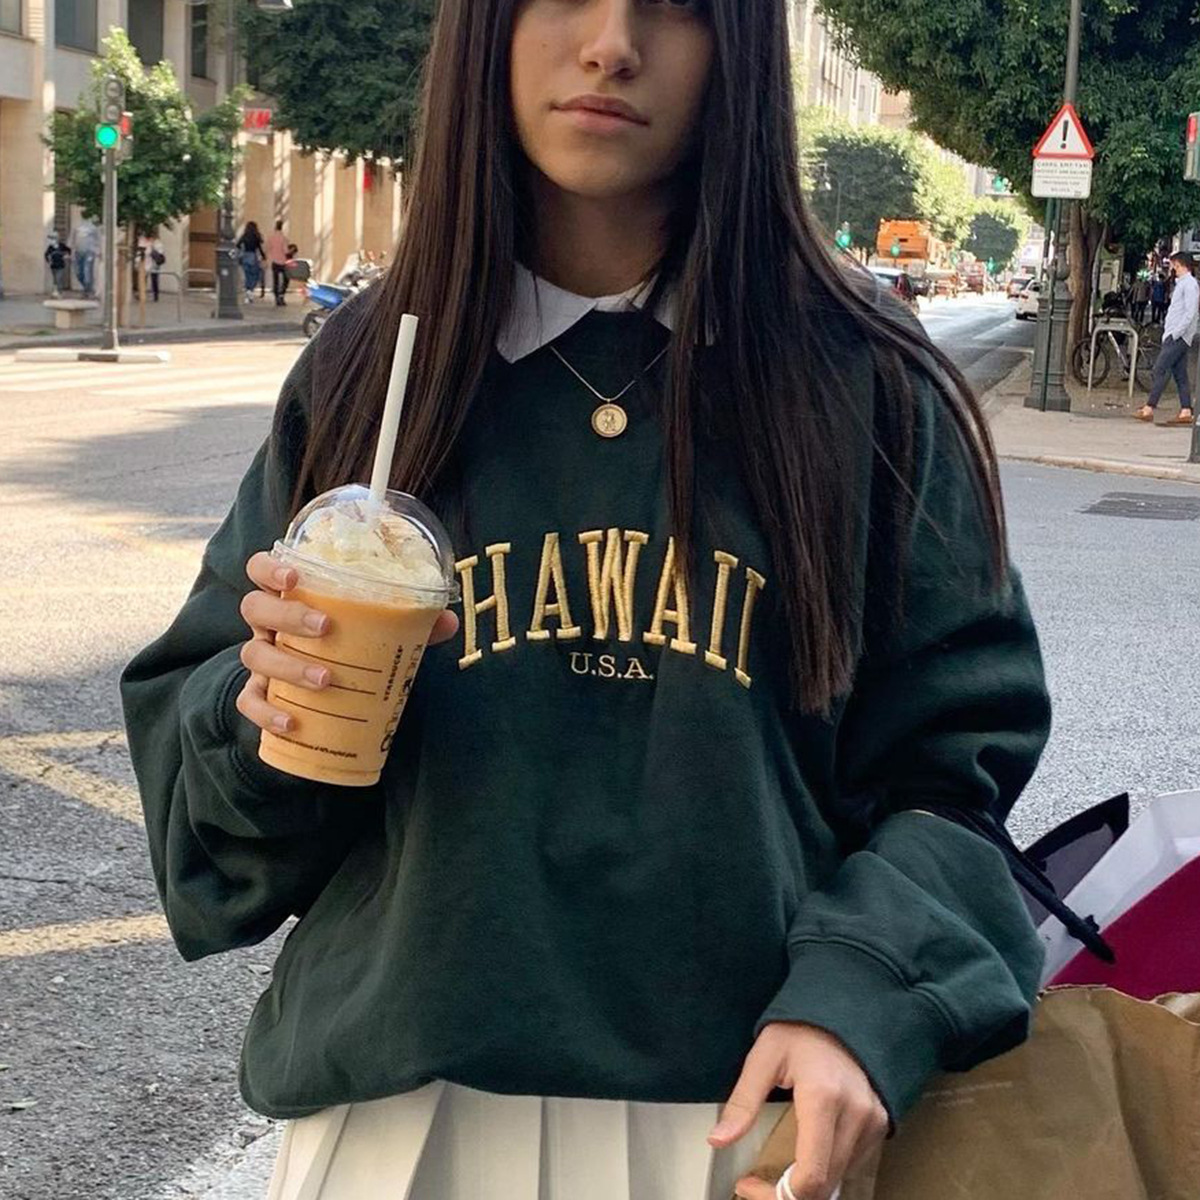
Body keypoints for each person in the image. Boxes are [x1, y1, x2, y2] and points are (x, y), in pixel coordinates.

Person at [120, 4, 1053, 1199]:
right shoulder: (373, 374)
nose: (613, 42)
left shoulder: (862, 382)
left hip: (744, 1123)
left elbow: (956, 771)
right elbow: (212, 826)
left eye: (675, 5)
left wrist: (865, 990)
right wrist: (270, 708)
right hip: (405, 1121)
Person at [1135, 251, 1197, 425]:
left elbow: (1190, 313)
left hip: (1178, 336)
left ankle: (1149, 407)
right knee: (1180, 374)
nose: (1172, 269)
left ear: (1180, 265)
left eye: (1174, 265)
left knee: (1160, 369)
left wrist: (1176, 333)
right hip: (1177, 334)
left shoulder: (1189, 285)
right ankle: (1186, 410)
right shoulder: (1184, 284)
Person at [237, 221, 266, 302]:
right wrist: (263, 256)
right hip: (253, 256)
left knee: (247, 275)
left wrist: (242, 251)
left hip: (245, 256)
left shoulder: (244, 236)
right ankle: (250, 290)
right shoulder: (256, 236)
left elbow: (238, 245)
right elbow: (259, 247)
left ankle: (248, 291)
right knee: (254, 275)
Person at [71, 217, 100, 298]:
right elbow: (72, 240)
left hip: (89, 252)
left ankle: (88, 291)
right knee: (78, 272)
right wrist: (72, 253)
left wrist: (97, 251)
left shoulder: (93, 228)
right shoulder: (76, 227)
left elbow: (98, 240)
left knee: (87, 271)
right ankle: (87, 288)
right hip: (78, 252)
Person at [266, 219, 291, 307]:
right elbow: (285, 251)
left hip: (274, 261)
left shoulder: (271, 237)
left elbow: (268, 248)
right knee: (286, 279)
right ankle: (282, 295)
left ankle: (276, 297)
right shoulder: (284, 238)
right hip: (283, 262)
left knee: (275, 280)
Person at [44, 232, 71, 297]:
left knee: (59, 278)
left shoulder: (62, 245)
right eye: (50, 239)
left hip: (61, 266)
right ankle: (55, 292)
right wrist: (48, 261)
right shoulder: (50, 247)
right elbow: (46, 254)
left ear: (56, 239)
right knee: (55, 279)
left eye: (53, 238)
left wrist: (67, 256)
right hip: (53, 266)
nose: (51, 240)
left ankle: (59, 292)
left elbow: (69, 250)